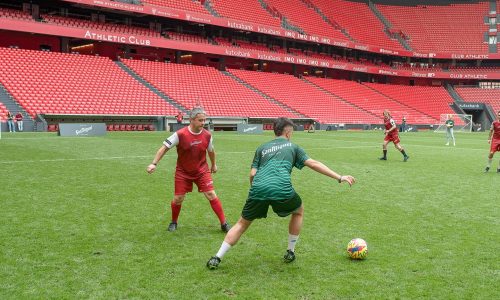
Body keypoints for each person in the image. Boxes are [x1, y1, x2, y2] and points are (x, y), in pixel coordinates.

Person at [206, 117, 356, 269]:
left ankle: (216, 257)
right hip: (281, 188)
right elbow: (313, 163)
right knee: (298, 211)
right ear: (288, 132)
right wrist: (339, 177)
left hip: (258, 189)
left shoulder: (262, 148)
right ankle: (290, 251)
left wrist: (257, 190)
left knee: (242, 224)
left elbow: (252, 174)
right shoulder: (293, 147)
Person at [146, 107, 231, 232]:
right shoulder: (180, 134)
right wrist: (154, 163)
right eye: (200, 120)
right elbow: (164, 148)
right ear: (192, 120)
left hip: (202, 171)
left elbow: (211, 151)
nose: (203, 123)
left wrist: (213, 165)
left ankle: (224, 223)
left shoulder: (207, 135)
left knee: (211, 194)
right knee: (178, 198)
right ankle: (174, 222)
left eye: (204, 120)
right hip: (183, 172)